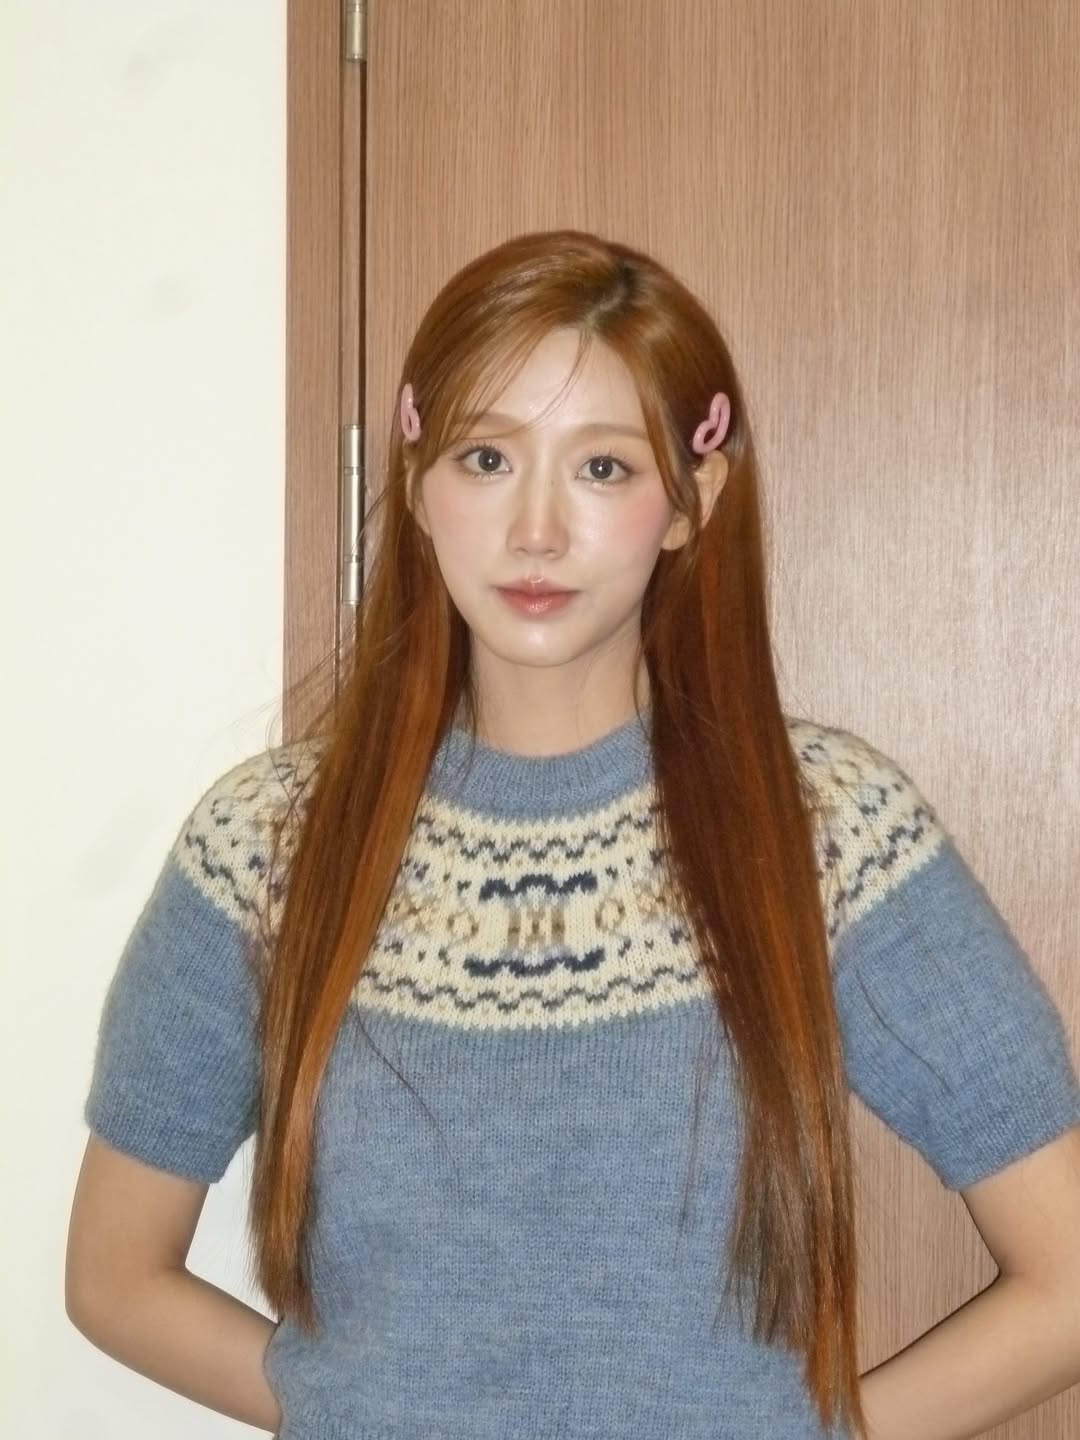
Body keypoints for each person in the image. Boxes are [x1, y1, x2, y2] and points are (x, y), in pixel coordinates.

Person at [66, 230, 1080, 1440]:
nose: (536, 530)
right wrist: (358, 1415)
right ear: (417, 483)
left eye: (603, 467)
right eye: (487, 458)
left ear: (692, 501)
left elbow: (1066, 1280)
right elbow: (115, 1278)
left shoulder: (827, 834)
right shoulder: (267, 849)